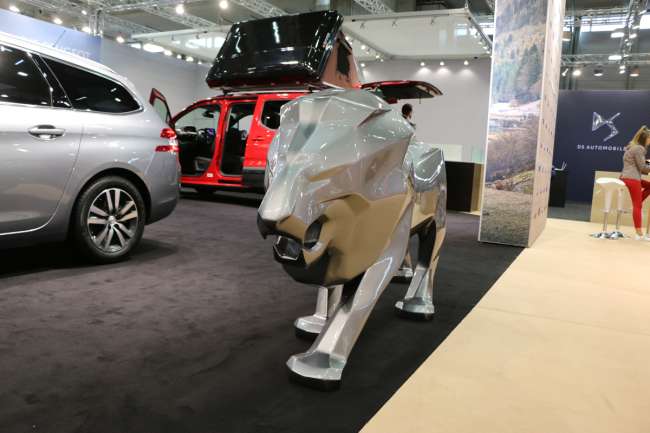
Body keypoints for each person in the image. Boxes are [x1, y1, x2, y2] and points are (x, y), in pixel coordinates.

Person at [620, 126, 650, 240]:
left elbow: (639, 163)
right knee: (637, 206)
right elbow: (642, 167)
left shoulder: (632, 147)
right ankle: (639, 233)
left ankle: (637, 201)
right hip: (632, 179)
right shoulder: (639, 149)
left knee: (638, 203)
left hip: (625, 177)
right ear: (644, 139)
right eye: (649, 138)